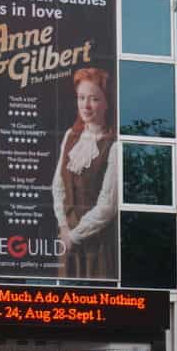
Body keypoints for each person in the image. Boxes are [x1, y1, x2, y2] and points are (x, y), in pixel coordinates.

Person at [52, 67, 118, 279]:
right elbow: (58, 185)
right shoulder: (71, 135)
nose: (86, 106)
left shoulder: (114, 145)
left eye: (94, 99)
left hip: (96, 244)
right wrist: (63, 227)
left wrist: (75, 236)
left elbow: (108, 205)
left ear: (107, 103)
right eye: (81, 98)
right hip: (67, 239)